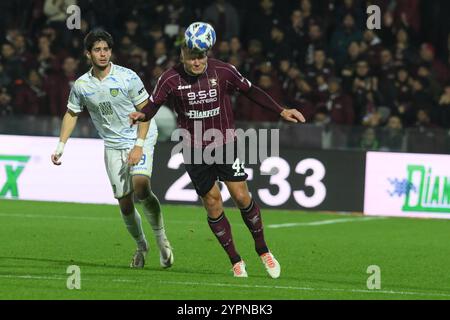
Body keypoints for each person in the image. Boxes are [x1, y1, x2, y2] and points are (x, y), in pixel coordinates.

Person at [129, 22, 305, 278]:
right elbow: (154, 105)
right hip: (192, 149)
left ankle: (263, 249)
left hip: (224, 144)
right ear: (183, 54)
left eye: (201, 56)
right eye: (192, 56)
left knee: (241, 196)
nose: (197, 62)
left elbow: (251, 91)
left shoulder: (223, 71)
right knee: (212, 203)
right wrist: (141, 114)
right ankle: (235, 260)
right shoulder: (169, 78)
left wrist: (281, 110)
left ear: (207, 54)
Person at [50, 30, 173, 269]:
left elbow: (146, 112)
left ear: (111, 51)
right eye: (97, 50)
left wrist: (138, 146)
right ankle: (141, 246)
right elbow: (72, 113)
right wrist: (61, 145)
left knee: (141, 185)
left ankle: (161, 239)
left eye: (106, 49)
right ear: (88, 54)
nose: (103, 53)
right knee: (125, 204)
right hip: (113, 145)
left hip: (140, 136)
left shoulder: (128, 77)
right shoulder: (82, 86)